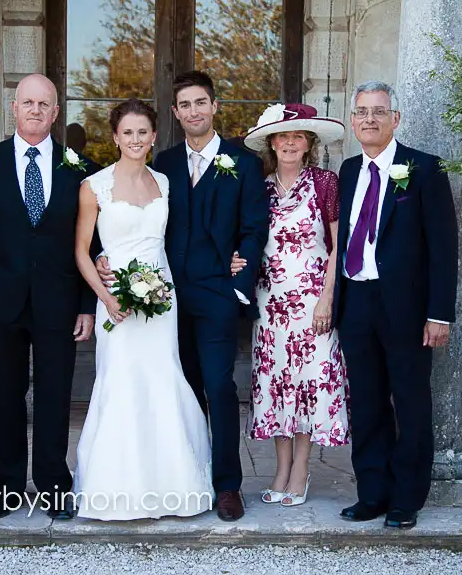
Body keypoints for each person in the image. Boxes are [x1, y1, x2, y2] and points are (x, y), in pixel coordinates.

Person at [97, 71, 269, 521]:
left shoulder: (244, 163)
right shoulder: (164, 165)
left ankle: (228, 485)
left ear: (214, 106)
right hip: (166, 297)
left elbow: (254, 229)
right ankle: (189, 476)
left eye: (201, 103)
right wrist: (104, 255)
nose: (193, 111)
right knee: (182, 390)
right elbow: (129, 217)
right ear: (174, 114)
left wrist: (239, 281)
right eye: (185, 105)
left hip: (217, 294)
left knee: (219, 385)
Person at [0, 74, 99, 520]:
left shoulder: (79, 168)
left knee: (55, 394)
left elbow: (89, 244)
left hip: (58, 301)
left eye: (45, 104)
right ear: (14, 109)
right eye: (28, 103)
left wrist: (86, 305)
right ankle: (5, 484)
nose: (36, 110)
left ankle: (53, 483)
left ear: (56, 112)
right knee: (3, 395)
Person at [73, 99, 213, 521]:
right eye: (127, 132)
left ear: (154, 136)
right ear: (115, 137)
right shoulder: (93, 185)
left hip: (161, 299)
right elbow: (81, 251)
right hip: (114, 301)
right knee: (120, 381)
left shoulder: (166, 183)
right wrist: (106, 296)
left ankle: (170, 483)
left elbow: (180, 240)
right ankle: (118, 487)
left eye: (142, 132)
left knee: (163, 377)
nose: (135, 140)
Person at [333, 81, 458, 529]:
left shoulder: (424, 169)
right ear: (352, 121)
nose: (369, 119)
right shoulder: (347, 171)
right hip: (357, 303)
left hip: (406, 307)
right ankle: (372, 493)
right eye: (362, 112)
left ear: (395, 119)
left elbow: (444, 248)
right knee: (365, 403)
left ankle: (406, 499)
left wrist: (439, 312)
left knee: (409, 402)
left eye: (379, 112)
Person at [241, 103, 351, 507]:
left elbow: (338, 244)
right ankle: (281, 468)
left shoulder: (325, 183)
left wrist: (327, 298)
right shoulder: (260, 186)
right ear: (272, 142)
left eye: (298, 136)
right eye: (283, 135)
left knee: (306, 386)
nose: (289, 142)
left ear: (309, 143)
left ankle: (301, 469)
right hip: (270, 306)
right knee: (276, 385)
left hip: (312, 305)